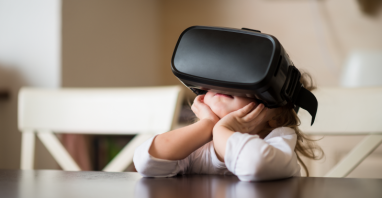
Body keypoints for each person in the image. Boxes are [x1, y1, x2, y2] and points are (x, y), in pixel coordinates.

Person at [133, 72, 323, 182]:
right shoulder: (200, 143)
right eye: (214, 82)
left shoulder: (280, 141)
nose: (225, 85)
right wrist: (208, 125)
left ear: (277, 117)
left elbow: (255, 163)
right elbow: (145, 162)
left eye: (245, 84)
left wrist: (221, 130)